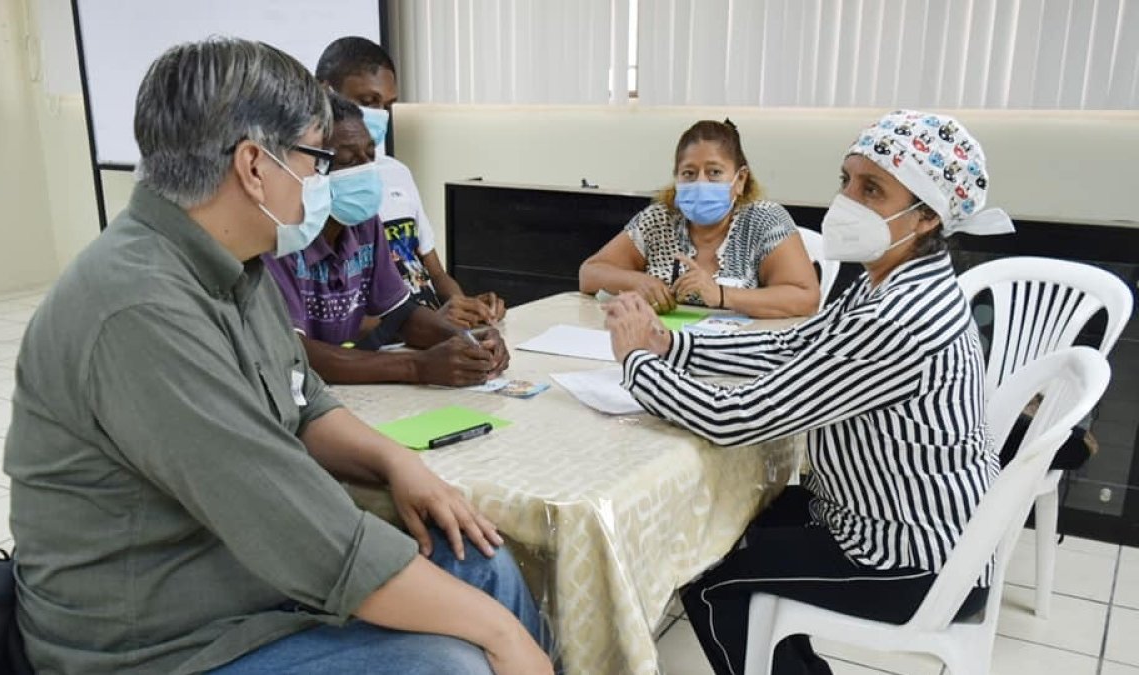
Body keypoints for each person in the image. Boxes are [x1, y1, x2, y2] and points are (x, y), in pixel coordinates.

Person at [4, 38, 553, 675]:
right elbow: (298, 529)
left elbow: (304, 397)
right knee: (456, 661)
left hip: (242, 575)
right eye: (316, 159)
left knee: (477, 557)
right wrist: (504, 638)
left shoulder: (231, 264)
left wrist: (396, 461)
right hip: (164, 641)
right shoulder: (140, 307)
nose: (321, 184)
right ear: (253, 165)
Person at [602, 110, 1015, 674]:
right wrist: (674, 350)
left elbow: (735, 418)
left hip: (911, 558)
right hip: (887, 521)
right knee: (725, 529)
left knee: (708, 583)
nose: (847, 200)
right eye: (847, 180)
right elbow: (791, 347)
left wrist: (638, 364)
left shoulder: (899, 314)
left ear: (924, 218)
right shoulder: (886, 283)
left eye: (872, 188)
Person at [263, 91, 507, 387]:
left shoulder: (364, 224)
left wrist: (466, 341)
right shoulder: (281, 236)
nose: (366, 171)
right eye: (348, 161)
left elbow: (402, 315)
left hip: (343, 392)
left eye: (369, 156)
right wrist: (416, 367)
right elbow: (294, 354)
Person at [315, 36, 506, 328]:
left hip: (426, 328)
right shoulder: (317, 191)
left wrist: (467, 308)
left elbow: (436, 274)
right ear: (324, 91)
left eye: (388, 105)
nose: (379, 116)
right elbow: (341, 320)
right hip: (396, 337)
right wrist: (430, 324)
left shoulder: (397, 172)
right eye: (368, 102)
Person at [579, 119, 820, 318]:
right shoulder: (660, 219)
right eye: (689, 173)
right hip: (662, 347)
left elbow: (806, 299)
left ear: (741, 179)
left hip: (738, 354)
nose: (700, 183)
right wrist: (637, 282)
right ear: (676, 178)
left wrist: (722, 295)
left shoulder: (765, 221)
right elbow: (589, 274)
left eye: (714, 172)